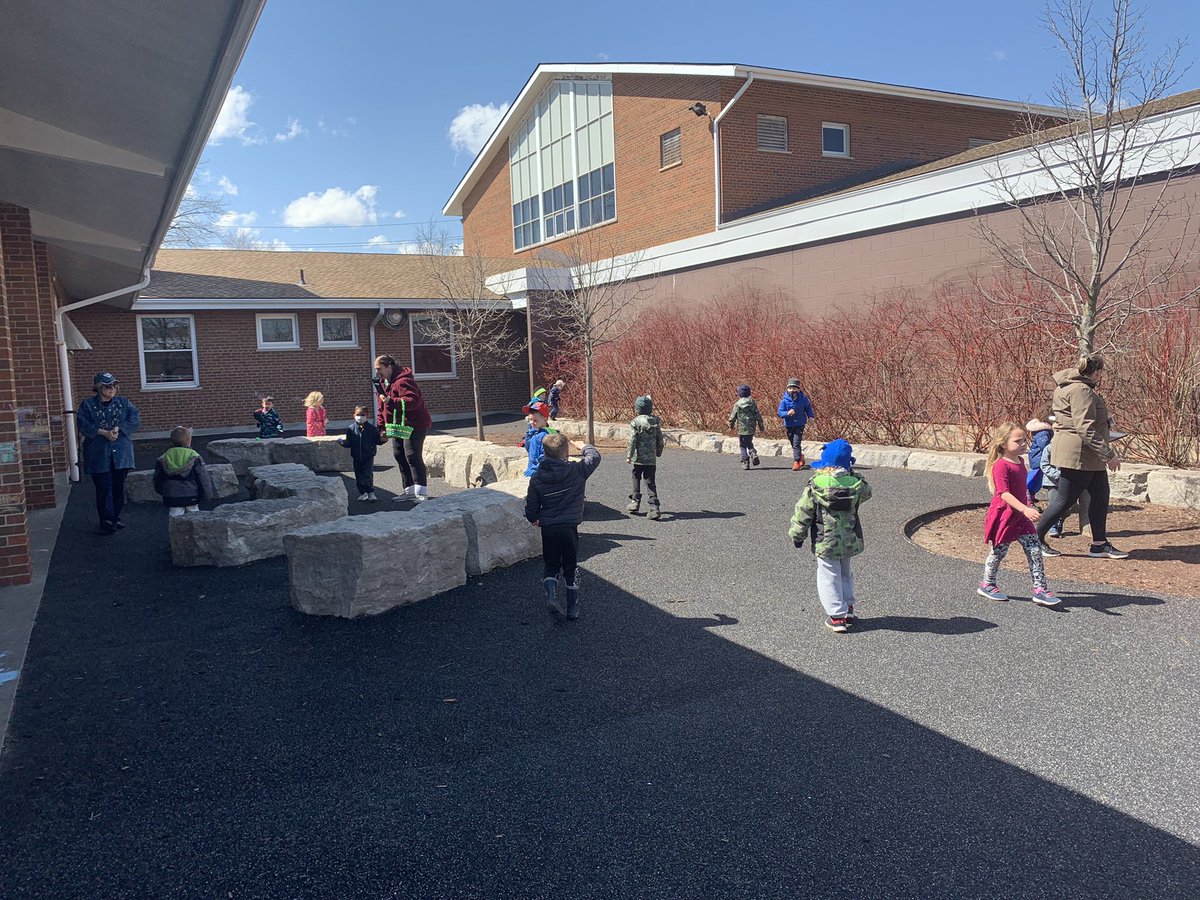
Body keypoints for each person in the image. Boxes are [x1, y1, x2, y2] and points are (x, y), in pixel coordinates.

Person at [1035, 354, 1128, 559]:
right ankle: (1035, 538)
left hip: (1088, 455)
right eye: (1100, 373)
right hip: (1079, 455)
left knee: (1101, 496)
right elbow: (1084, 426)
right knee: (1064, 499)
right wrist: (1108, 454)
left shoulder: (1068, 386)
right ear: (1095, 372)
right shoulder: (1081, 390)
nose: (1100, 377)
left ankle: (1099, 544)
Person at [788, 439, 871, 633]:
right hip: (849, 538)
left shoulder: (815, 486)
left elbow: (803, 513)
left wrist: (797, 535)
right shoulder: (856, 486)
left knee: (828, 576)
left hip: (825, 541)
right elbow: (868, 491)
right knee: (845, 573)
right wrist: (852, 473)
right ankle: (848, 606)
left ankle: (836, 616)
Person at [978, 423, 1059, 606]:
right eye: (1018, 441)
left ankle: (1040, 589)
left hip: (1021, 516)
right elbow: (1003, 493)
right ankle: (987, 584)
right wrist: (1024, 508)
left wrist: (1029, 505)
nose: (1024, 444)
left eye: (1024, 440)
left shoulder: (1021, 462)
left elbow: (1023, 489)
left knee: (1035, 550)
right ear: (1003, 444)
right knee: (999, 552)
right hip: (1005, 516)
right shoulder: (1001, 466)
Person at [524, 434, 602, 620]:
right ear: (566, 453)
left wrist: (533, 518)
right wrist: (583, 446)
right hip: (569, 527)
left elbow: (531, 505)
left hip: (549, 527)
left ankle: (551, 595)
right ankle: (572, 607)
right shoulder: (577, 470)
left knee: (551, 563)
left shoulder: (537, 478)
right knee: (570, 565)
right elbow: (595, 457)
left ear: (544, 452)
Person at [77, 372, 140, 534]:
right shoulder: (87, 405)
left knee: (118, 487)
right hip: (98, 453)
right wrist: (103, 432)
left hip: (121, 454)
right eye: (108, 386)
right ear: (99, 388)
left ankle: (116, 517)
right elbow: (83, 424)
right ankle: (106, 519)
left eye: (114, 385)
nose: (112, 389)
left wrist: (119, 429)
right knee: (104, 487)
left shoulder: (124, 403)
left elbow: (134, 419)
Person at [374, 355, 433, 502]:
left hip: (414, 424)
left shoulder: (404, 381)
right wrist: (381, 427)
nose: (377, 372)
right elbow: (382, 407)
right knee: (399, 454)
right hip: (398, 425)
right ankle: (409, 490)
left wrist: (391, 401)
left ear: (389, 367)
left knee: (412, 456)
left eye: (379, 369)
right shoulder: (382, 384)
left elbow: (413, 401)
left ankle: (421, 492)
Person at [153, 426, 215, 519]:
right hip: (192, 493)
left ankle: (176, 532)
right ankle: (195, 532)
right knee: (194, 515)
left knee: (175, 515)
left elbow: (158, 476)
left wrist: (160, 490)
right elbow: (203, 476)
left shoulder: (164, 457)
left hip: (171, 494)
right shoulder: (194, 456)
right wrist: (207, 493)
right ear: (189, 441)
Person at [626, 394, 665, 519]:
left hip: (638, 458)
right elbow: (660, 439)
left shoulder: (635, 422)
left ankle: (635, 501)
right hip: (651, 459)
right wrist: (659, 451)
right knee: (650, 481)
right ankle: (654, 506)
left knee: (636, 477)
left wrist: (629, 455)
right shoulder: (655, 421)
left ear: (637, 409)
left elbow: (632, 440)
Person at [338, 405, 379, 501]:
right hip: (356, 456)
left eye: (362, 415)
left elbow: (377, 441)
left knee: (367, 474)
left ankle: (370, 492)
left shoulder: (372, 429)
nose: (360, 417)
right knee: (358, 475)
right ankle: (362, 492)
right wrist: (342, 443)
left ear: (367, 416)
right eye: (358, 415)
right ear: (354, 415)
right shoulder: (351, 429)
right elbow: (349, 442)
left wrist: (383, 439)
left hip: (368, 455)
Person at [777, 378, 816, 471]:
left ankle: (796, 462)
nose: (792, 390)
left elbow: (808, 408)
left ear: (798, 389)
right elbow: (780, 412)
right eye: (790, 388)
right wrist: (787, 414)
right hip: (789, 424)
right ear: (787, 389)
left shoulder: (803, 399)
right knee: (792, 442)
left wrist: (810, 417)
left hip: (800, 423)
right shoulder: (784, 400)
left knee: (796, 443)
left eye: (795, 388)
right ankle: (800, 456)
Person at [728, 383, 765, 470]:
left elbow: (732, 417)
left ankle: (746, 461)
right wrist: (761, 426)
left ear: (739, 394)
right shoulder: (752, 403)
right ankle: (752, 452)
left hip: (742, 428)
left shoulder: (737, 405)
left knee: (742, 445)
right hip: (751, 427)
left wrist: (731, 426)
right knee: (749, 442)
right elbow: (757, 415)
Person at [521, 399, 552, 477]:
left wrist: (534, 470)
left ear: (545, 419)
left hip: (538, 472)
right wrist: (528, 435)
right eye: (530, 420)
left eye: (535, 420)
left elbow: (543, 455)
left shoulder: (542, 436)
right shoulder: (536, 433)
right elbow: (529, 448)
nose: (531, 422)